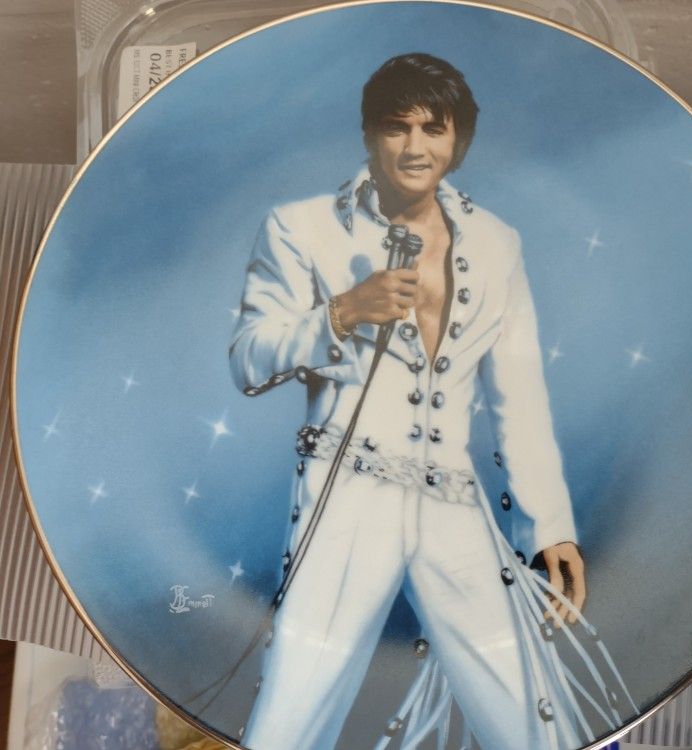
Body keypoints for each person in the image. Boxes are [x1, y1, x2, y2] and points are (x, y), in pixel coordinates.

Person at [230, 52, 624, 750]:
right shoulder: (299, 226)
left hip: (454, 503)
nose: (415, 147)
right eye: (396, 126)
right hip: (346, 494)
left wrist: (549, 526)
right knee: (292, 710)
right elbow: (248, 359)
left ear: (458, 140)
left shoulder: (497, 243)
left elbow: (519, 396)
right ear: (368, 134)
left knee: (526, 714)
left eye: (433, 128)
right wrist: (341, 312)